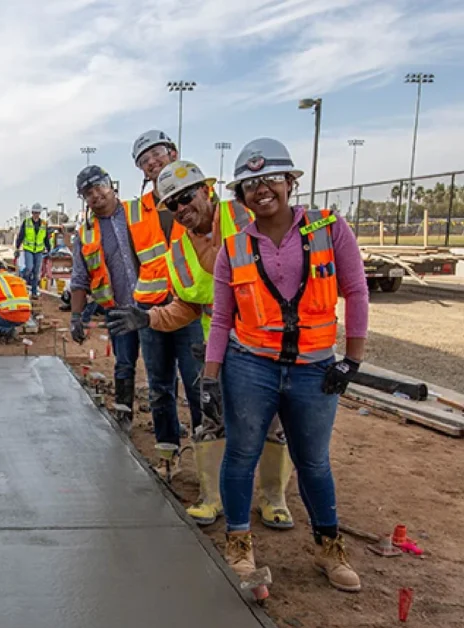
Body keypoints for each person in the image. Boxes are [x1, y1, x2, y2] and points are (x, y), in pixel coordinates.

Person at [204, 138, 368, 592]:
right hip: (251, 365)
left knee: (313, 461)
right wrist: (211, 377)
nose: (261, 190)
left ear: (290, 182)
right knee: (241, 453)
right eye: (250, 184)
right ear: (240, 196)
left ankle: (330, 549)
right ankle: (238, 543)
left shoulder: (330, 230)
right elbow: (222, 318)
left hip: (315, 368)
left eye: (271, 179)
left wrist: (352, 359)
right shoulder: (233, 249)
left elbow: (356, 292)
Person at [106, 160, 294, 529]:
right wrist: (149, 318)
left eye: (186, 197)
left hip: (269, 344)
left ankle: (274, 499)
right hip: (220, 350)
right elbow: (188, 306)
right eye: (172, 204)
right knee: (212, 420)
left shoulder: (243, 218)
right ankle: (213, 498)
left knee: (272, 423)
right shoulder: (179, 250)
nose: (181, 208)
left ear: (206, 191)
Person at [126, 130, 204, 471]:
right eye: (144, 161)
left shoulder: (203, 196)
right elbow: (134, 259)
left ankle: (207, 462)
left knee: (200, 385)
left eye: (156, 154)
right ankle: (168, 456)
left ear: (174, 153)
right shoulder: (136, 211)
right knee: (159, 386)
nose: (152, 162)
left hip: (191, 308)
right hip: (151, 310)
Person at [69, 166, 141, 426]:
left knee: (162, 371)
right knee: (124, 364)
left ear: (111, 184)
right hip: (119, 308)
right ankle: (124, 415)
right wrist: (76, 317)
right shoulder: (86, 234)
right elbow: (79, 278)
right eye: (88, 192)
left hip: (153, 305)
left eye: (99, 186)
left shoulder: (139, 215)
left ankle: (167, 429)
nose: (95, 194)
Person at [15, 203, 50, 299]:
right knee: (29, 268)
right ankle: (24, 282)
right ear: (32, 213)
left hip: (39, 251)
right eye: (34, 213)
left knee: (36, 272)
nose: (36, 214)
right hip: (28, 250)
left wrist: (49, 249)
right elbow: (21, 236)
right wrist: (17, 247)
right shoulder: (26, 222)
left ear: (40, 213)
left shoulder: (43, 224)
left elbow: (46, 238)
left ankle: (34, 292)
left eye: (37, 213)